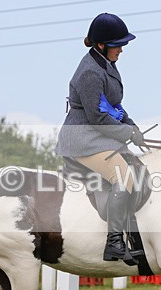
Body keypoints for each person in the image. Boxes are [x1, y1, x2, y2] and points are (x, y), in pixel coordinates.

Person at [56, 13, 148, 262]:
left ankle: (133, 240)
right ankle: (114, 242)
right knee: (124, 177)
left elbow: (114, 106)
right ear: (101, 45)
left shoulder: (104, 64)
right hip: (83, 140)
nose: (121, 50)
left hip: (98, 137)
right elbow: (97, 117)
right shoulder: (90, 74)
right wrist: (127, 132)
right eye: (118, 45)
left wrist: (132, 126)